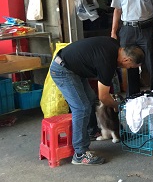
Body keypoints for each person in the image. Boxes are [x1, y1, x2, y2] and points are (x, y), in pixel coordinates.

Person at [49, 37, 144, 165]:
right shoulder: (108, 62)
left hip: (74, 68)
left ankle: (91, 132)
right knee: (81, 108)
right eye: (130, 66)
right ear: (127, 59)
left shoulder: (114, 45)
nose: (127, 68)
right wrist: (117, 106)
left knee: (90, 99)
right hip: (63, 70)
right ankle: (80, 153)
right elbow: (103, 97)